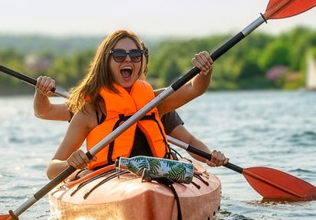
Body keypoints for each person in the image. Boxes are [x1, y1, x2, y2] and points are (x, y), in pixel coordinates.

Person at [43, 29, 227, 179]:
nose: (128, 59)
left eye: (135, 54)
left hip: (160, 175)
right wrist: (70, 163)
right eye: (119, 55)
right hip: (110, 181)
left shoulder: (156, 102)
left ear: (141, 60)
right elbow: (52, 169)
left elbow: (195, 88)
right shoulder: (89, 112)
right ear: (105, 62)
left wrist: (205, 71)